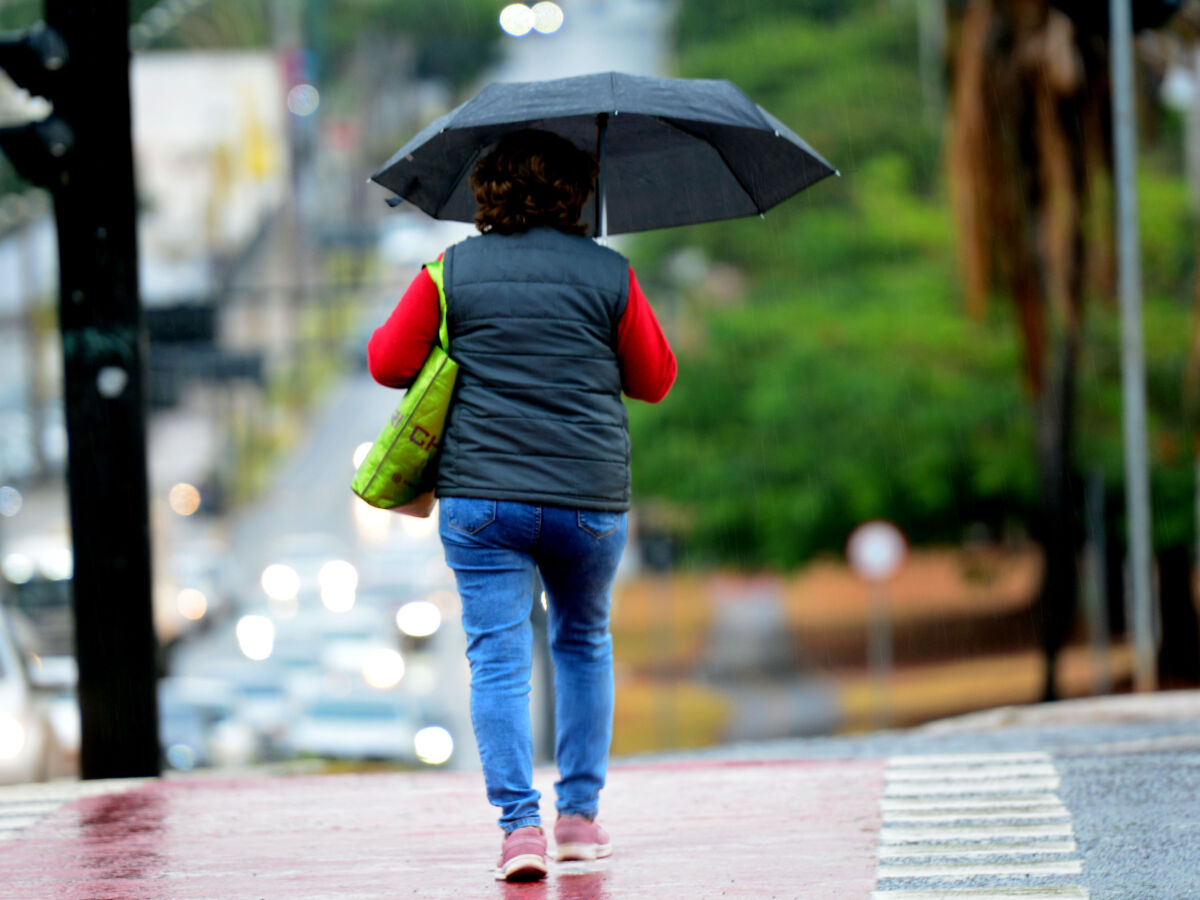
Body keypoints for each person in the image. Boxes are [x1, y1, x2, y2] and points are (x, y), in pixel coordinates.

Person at [367, 129, 676, 882]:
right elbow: (655, 380)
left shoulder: (450, 271)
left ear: (488, 191)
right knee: (583, 643)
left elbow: (386, 363)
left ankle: (519, 832)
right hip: (586, 499)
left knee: (497, 659)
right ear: (576, 195)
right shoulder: (611, 274)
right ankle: (578, 821)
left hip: (483, 502)